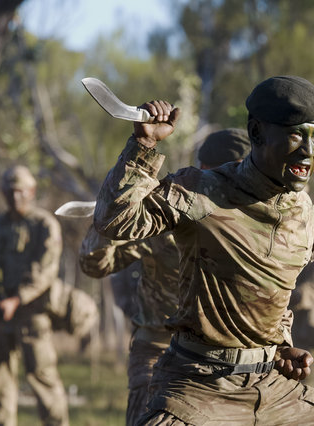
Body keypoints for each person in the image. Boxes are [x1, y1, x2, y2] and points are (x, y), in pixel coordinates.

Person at [93, 75, 314, 425]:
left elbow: (274, 294)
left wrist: (281, 347)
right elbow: (114, 222)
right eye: (295, 135)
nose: (308, 151)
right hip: (199, 385)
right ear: (257, 133)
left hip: (271, 387)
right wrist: (142, 146)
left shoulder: (303, 210)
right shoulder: (202, 191)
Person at [79, 128, 251, 426]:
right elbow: (96, 266)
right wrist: (106, 216)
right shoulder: (168, 212)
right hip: (159, 348)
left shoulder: (255, 222)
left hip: (227, 357)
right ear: (206, 171)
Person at [0, 165, 69, 426]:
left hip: (33, 314)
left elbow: (46, 270)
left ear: (31, 191)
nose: (14, 197)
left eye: (19, 191)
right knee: (0, 382)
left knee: (43, 378)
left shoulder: (44, 225)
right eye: (9, 191)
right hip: (0, 315)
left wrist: (16, 300)